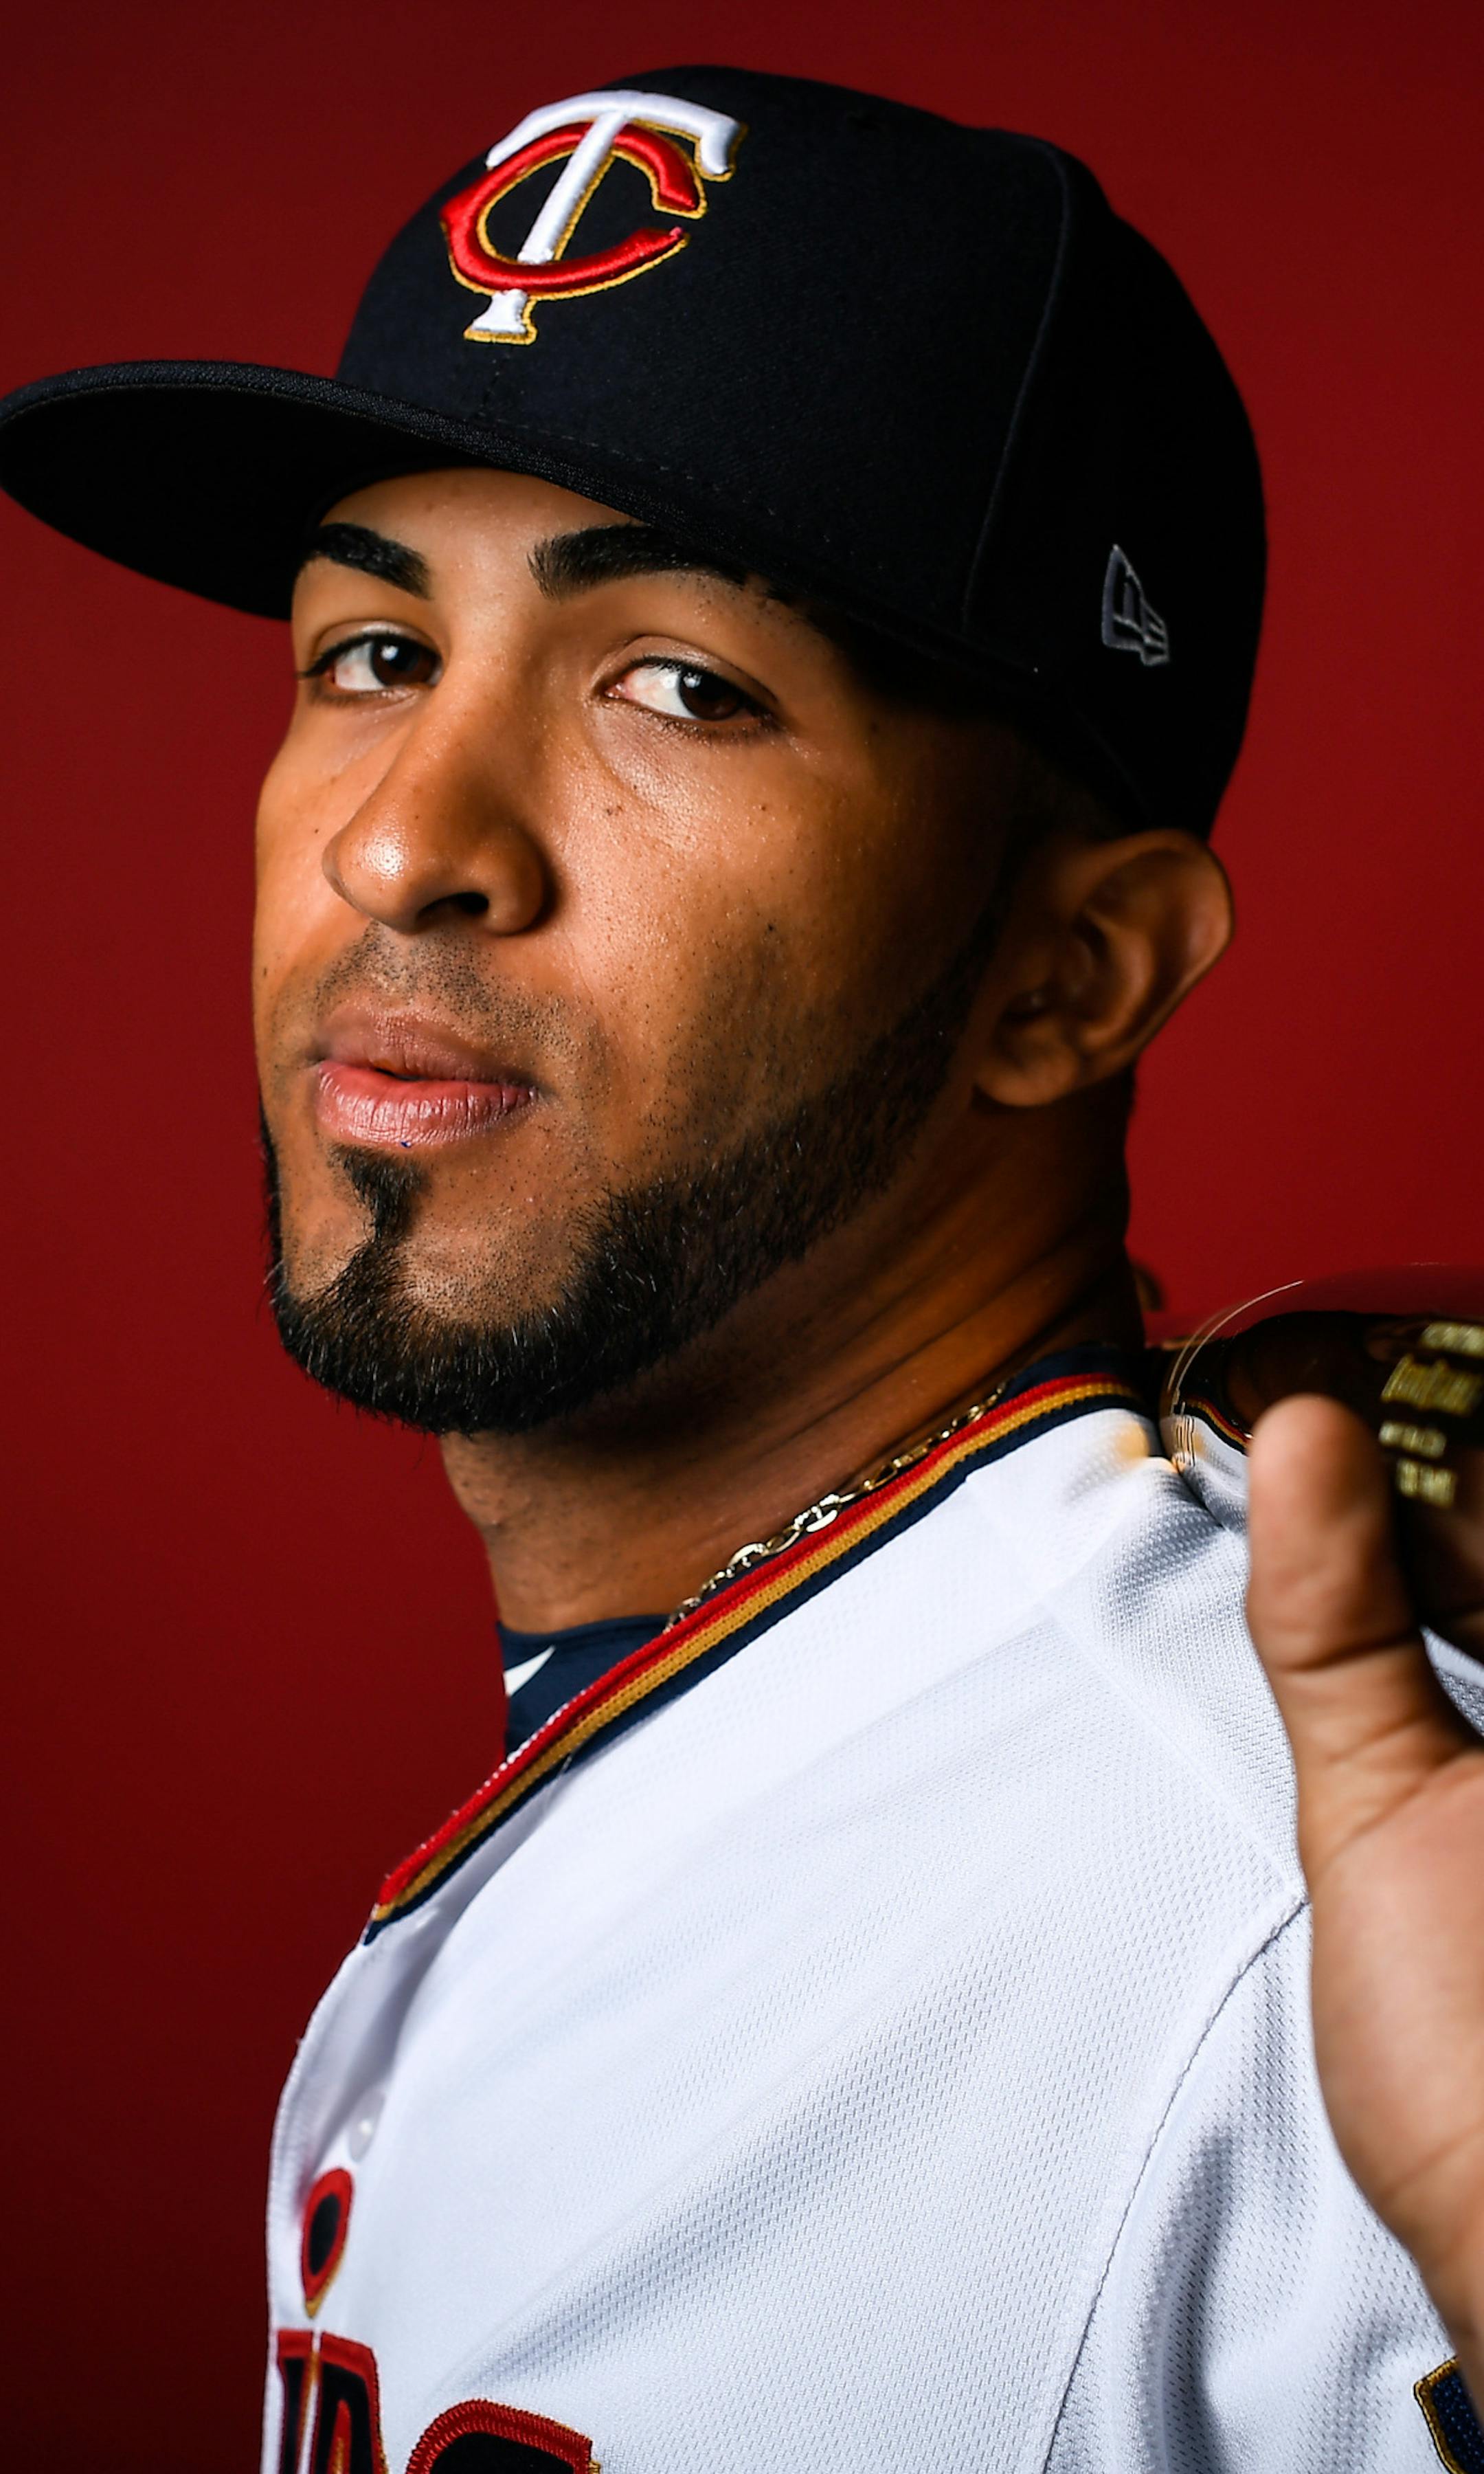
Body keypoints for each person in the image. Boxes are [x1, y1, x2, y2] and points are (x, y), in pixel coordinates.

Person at [2, 63, 1479, 2474]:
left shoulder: (1293, 1936)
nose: (405, 846)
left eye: (679, 685)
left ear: (1073, 975)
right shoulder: (786, 1701)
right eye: (369, 651)